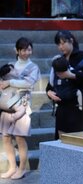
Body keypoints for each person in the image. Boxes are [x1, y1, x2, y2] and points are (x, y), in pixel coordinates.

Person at [46, 30, 83, 139]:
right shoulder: (59, 60)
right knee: (62, 139)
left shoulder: (80, 56)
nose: (61, 47)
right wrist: (49, 93)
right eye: (58, 44)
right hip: (62, 108)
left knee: (78, 139)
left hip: (78, 107)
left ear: (71, 41)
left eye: (63, 43)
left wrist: (71, 75)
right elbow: (51, 84)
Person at [0, 37, 40, 180]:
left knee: (20, 138)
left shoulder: (33, 67)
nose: (26, 52)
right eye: (23, 49)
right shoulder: (10, 65)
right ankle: (12, 167)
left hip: (21, 107)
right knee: (5, 138)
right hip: (7, 106)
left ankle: (22, 169)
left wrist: (9, 81)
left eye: (29, 49)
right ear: (17, 50)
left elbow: (28, 84)